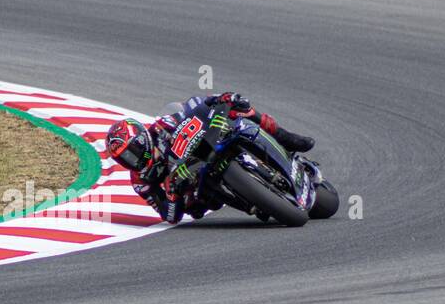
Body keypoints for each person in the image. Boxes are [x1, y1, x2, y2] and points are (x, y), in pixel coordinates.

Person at [104, 92, 315, 224]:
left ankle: (286, 138)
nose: (131, 161)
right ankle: (254, 200)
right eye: (125, 160)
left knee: (240, 110)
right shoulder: (141, 182)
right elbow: (169, 217)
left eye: (131, 152)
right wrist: (170, 193)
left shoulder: (162, 127)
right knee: (195, 207)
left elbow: (193, 106)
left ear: (142, 140)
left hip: (208, 143)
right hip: (200, 189)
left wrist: (217, 101)